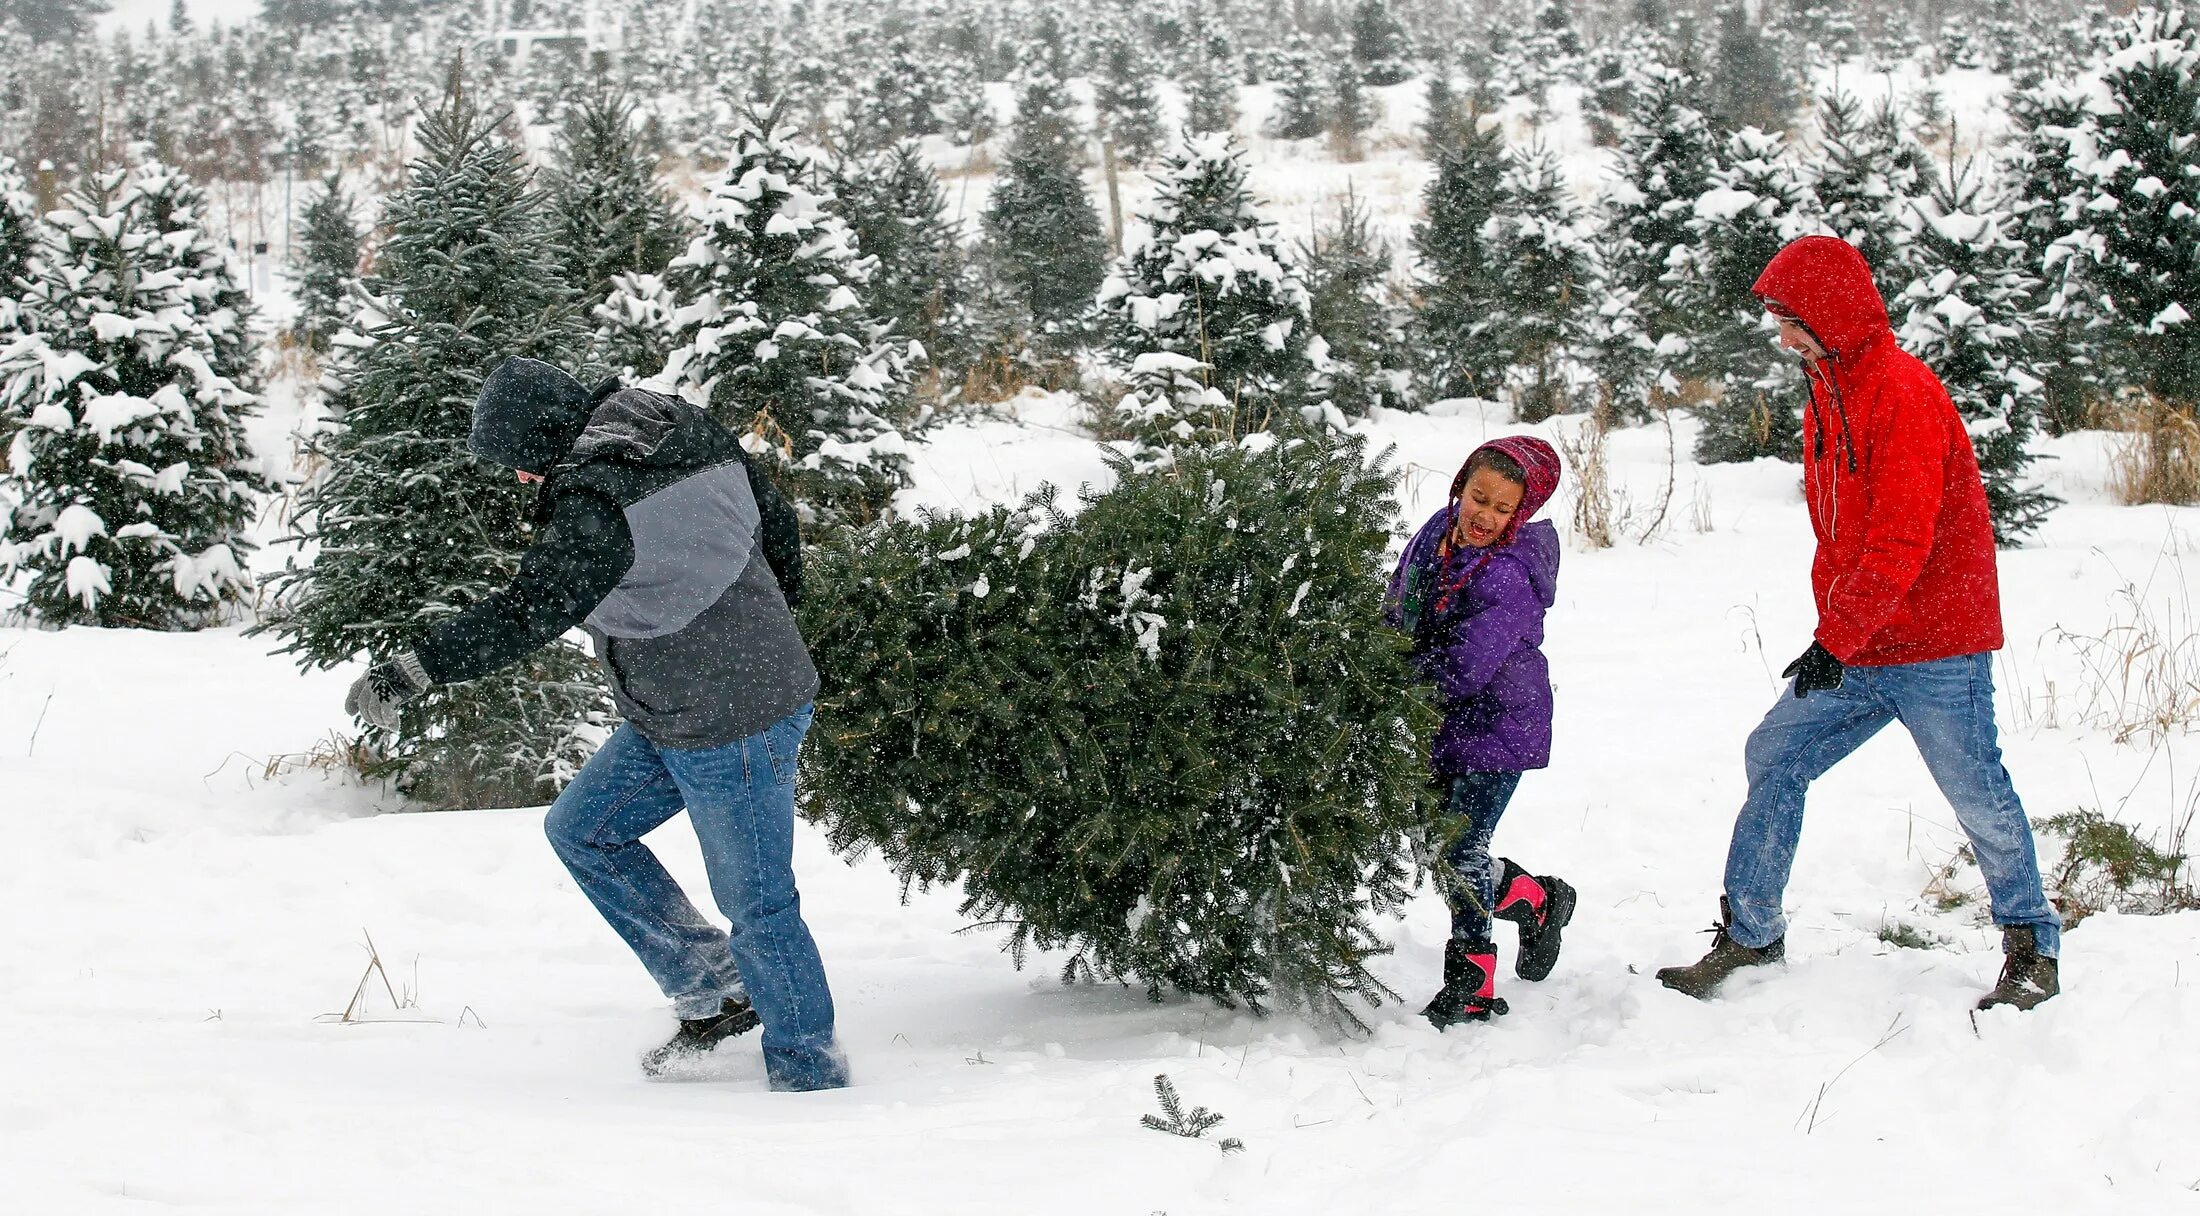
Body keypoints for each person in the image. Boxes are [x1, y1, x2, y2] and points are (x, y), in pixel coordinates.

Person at [343, 357, 848, 1090]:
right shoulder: (665, 422)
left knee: (757, 900)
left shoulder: (594, 505)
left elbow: (528, 611)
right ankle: (716, 990)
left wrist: (414, 668)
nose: (519, 480)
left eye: (520, 464)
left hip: (735, 716)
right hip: (675, 703)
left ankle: (810, 1073)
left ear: (545, 437)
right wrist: (776, 612)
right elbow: (771, 511)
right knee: (583, 830)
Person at [1655, 235, 2063, 1012]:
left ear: (1831, 315)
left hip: (1938, 643)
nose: (1781, 337)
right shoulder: (1829, 389)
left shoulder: (1901, 392)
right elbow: (1842, 532)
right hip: (1860, 639)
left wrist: (1832, 640)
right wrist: (1840, 633)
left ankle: (2030, 944)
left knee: (1976, 791)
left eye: (1790, 319)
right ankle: (1752, 935)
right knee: (1775, 754)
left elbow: (1901, 540)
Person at [1385, 436, 1578, 1028]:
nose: (1483, 515)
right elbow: (1400, 599)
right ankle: (1537, 901)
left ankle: (1472, 984)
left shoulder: (1512, 574)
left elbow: (1466, 666)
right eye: (1478, 497)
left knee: (1461, 851)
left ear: (1520, 513)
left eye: (1501, 508)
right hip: (1442, 718)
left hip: (1498, 725)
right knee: (1440, 848)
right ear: (1461, 488)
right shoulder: (1438, 531)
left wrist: (1400, 683)